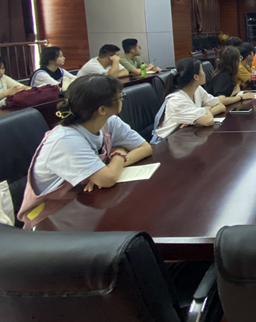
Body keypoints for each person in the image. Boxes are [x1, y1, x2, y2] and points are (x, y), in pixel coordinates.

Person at [16, 75, 153, 230]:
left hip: (86, 205)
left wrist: (106, 169)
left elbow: (145, 148)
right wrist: (119, 153)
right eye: (119, 97)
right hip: (51, 221)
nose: (122, 99)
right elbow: (107, 179)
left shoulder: (109, 122)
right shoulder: (66, 139)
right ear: (102, 109)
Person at [152, 58, 226, 142]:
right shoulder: (177, 100)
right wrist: (205, 109)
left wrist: (199, 117)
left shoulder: (197, 89)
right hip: (165, 143)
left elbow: (221, 106)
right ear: (196, 77)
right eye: (202, 71)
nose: (204, 73)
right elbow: (208, 121)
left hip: (183, 138)